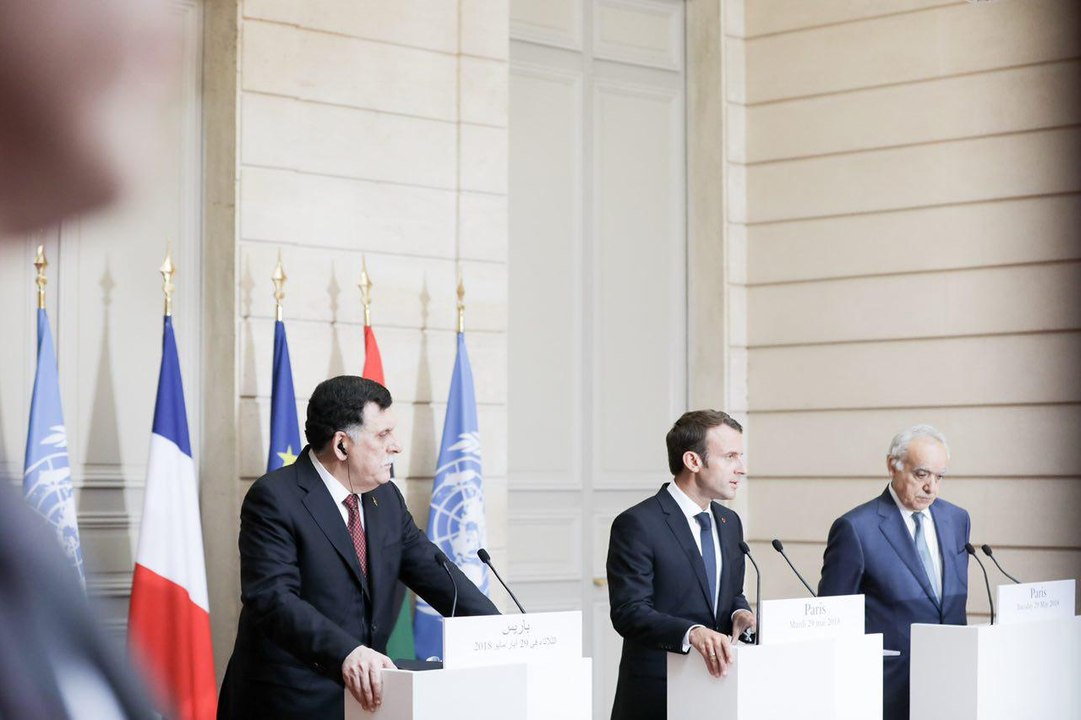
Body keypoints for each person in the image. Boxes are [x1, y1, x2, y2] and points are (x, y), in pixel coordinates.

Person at [218, 376, 498, 719]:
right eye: (382, 435)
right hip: (289, 701)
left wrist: (502, 634)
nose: (396, 446)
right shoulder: (276, 498)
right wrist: (347, 653)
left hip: (366, 702)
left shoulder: (386, 498)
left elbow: (435, 572)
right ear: (341, 445)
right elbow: (273, 599)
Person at [606, 410, 756, 720]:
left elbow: (730, 594)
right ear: (693, 461)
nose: (741, 469)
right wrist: (693, 632)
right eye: (730, 456)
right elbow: (629, 611)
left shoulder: (730, 523)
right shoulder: (638, 524)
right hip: (658, 693)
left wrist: (741, 613)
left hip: (719, 692)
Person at [818, 424, 970, 720]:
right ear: (893, 465)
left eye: (939, 477)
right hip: (887, 685)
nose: (931, 488)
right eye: (922, 474)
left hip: (951, 677)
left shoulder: (957, 519)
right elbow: (832, 616)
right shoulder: (856, 528)